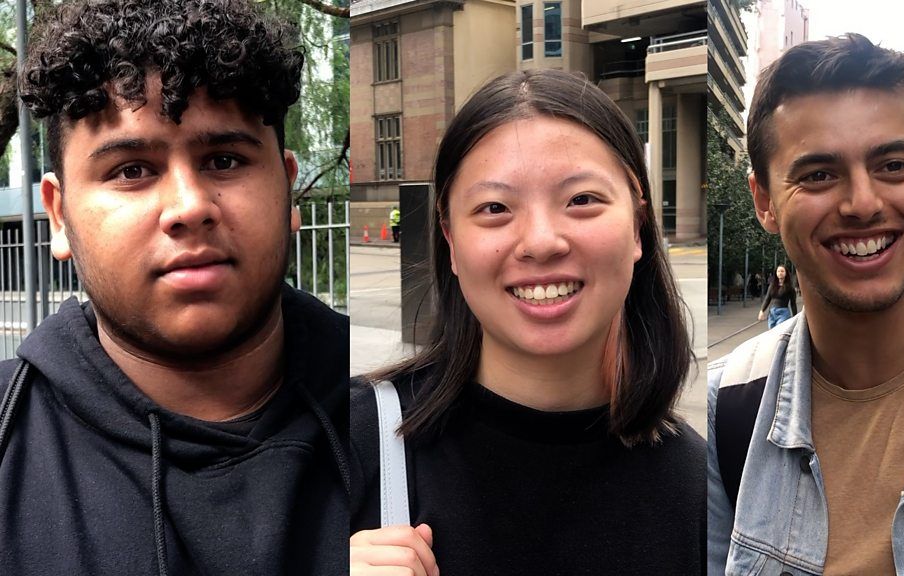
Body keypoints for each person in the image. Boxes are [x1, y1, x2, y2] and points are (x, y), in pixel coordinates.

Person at [1, 0, 349, 574]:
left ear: (287, 189)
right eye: (131, 170)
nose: (189, 207)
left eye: (225, 159)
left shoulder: (401, 418)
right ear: (59, 216)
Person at [349, 69, 706, 575]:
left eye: (581, 199)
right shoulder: (343, 446)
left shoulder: (703, 490)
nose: (541, 241)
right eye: (495, 207)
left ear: (638, 227)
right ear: (450, 241)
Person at [708, 34, 904, 575]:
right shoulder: (725, 412)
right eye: (819, 175)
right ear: (763, 201)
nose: (862, 204)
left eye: (894, 165)